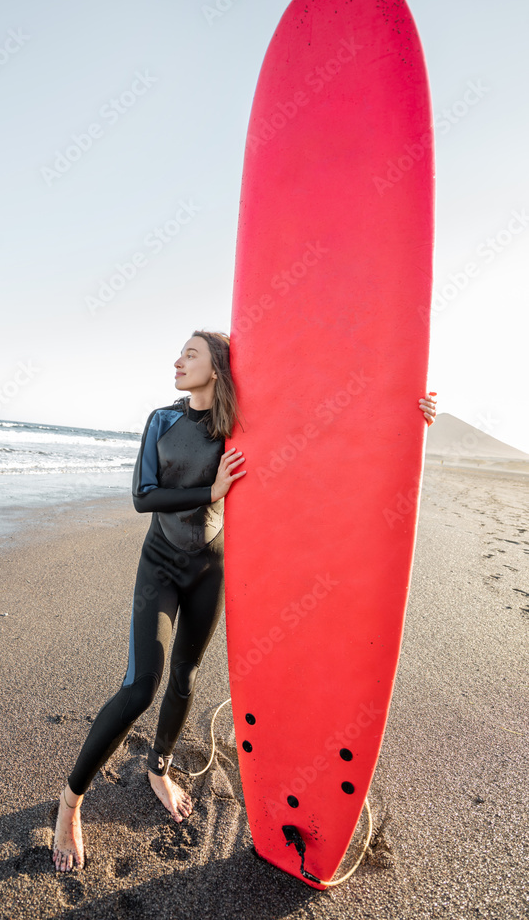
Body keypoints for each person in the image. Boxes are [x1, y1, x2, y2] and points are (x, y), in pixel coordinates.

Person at [51, 330, 437, 872]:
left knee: (186, 677)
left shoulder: (240, 428)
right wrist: (209, 493)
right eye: (180, 353)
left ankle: (159, 767)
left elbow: (328, 432)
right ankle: (71, 803)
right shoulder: (162, 420)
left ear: (218, 368)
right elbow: (143, 496)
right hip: (159, 562)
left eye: (191, 354)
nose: (178, 361)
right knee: (141, 684)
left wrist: (407, 414)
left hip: (211, 568)